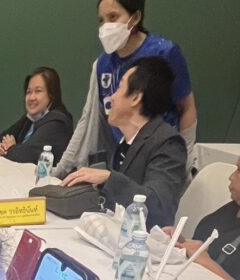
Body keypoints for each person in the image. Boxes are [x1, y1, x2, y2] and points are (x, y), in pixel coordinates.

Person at [53, 0, 197, 178]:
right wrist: (60, 170)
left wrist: (183, 160)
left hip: (160, 160)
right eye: (101, 20)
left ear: (135, 17)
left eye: (113, 17)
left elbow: (187, 108)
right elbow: (89, 119)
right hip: (122, 163)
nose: (106, 26)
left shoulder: (164, 53)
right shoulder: (102, 64)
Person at [62, 57, 187, 229]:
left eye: (119, 87)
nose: (112, 97)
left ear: (135, 97)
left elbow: (159, 208)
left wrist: (109, 178)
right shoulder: (124, 143)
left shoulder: (168, 143)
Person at [168, 159, 240, 280]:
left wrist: (205, 262)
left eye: (239, 171)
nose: (231, 177)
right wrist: (182, 243)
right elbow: (206, 246)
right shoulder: (229, 211)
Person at [0, 67, 73, 164]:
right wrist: (1, 146)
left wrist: (11, 148)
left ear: (51, 94)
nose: (31, 97)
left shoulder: (58, 123)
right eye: (28, 92)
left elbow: (26, 155)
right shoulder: (31, 118)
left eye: (38, 91)